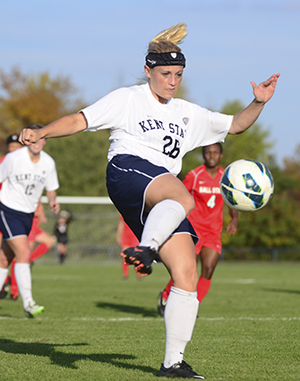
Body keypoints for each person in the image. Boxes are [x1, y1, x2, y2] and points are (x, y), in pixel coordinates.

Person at [18, 23, 279, 379]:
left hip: (159, 198)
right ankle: (146, 248)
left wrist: (258, 102)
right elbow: (81, 120)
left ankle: (173, 363)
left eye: (179, 75)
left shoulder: (188, 113)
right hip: (127, 172)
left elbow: (234, 125)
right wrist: (42, 131)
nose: (173, 81)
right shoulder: (128, 98)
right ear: (148, 70)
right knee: (181, 194)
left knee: (186, 272)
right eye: (166, 73)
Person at [157, 143, 238, 317]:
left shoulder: (226, 178)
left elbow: (232, 200)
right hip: (194, 231)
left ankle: (190, 308)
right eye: (208, 152)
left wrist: (235, 218)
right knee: (187, 270)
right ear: (203, 155)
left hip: (213, 232)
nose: (211, 155)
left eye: (215, 152)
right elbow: (178, 194)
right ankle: (165, 295)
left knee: (208, 270)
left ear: (221, 156)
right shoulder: (194, 175)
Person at [0, 123, 60, 318]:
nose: (36, 141)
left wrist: (52, 201)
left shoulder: (48, 162)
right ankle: (28, 303)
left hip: (28, 214)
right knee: (24, 252)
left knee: (4, 259)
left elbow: (51, 189)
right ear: (26, 139)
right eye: (32, 137)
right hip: (7, 210)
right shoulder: (13, 158)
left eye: (40, 137)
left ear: (44, 140)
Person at [0, 134, 23, 299]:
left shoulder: (26, 163)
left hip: (17, 212)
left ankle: (14, 288)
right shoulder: (3, 162)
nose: (14, 149)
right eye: (11, 146)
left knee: (17, 251)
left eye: (17, 146)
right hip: (3, 209)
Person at [116, 215, 140, 279]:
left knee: (136, 256)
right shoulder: (123, 213)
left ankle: (139, 274)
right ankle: (125, 274)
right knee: (125, 256)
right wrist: (119, 236)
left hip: (135, 236)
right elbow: (121, 225)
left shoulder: (137, 212)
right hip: (126, 236)